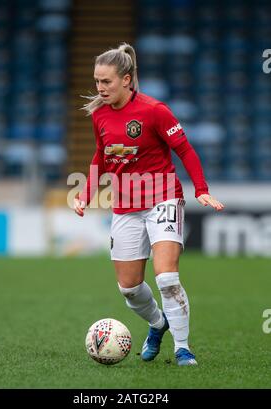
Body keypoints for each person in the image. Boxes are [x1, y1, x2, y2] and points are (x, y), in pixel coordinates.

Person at [73, 43, 224, 366]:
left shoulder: (154, 110)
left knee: (167, 279)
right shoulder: (99, 113)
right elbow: (101, 156)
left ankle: (182, 347)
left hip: (163, 197)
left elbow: (184, 150)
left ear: (126, 79)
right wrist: (86, 193)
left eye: (106, 82)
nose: (100, 88)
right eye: (97, 81)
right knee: (129, 289)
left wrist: (201, 188)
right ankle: (158, 324)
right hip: (125, 205)